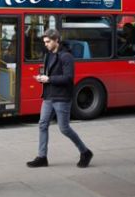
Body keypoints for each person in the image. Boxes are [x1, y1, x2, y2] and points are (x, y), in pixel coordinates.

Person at [27, 28, 93, 168]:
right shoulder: (49, 55)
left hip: (62, 98)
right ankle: (42, 157)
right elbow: (48, 73)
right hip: (49, 96)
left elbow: (68, 78)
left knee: (64, 128)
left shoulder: (66, 56)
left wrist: (49, 79)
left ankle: (85, 152)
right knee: (42, 124)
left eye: (48, 41)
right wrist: (41, 78)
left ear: (56, 40)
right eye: (44, 42)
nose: (46, 44)